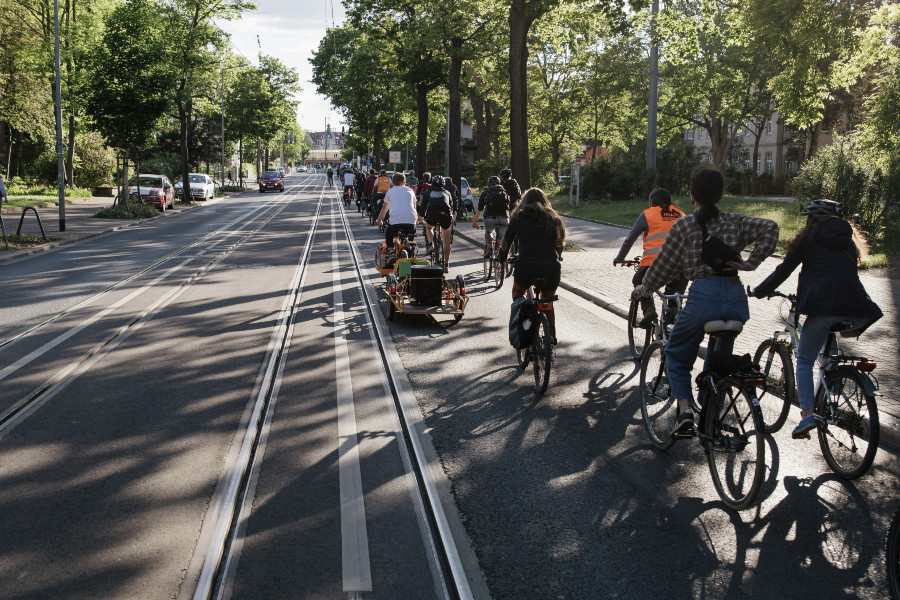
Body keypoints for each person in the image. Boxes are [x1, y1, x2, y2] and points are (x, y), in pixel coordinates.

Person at [632, 167, 779, 435]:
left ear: (692, 195)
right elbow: (770, 228)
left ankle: (685, 412)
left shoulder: (685, 226)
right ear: (720, 195)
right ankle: (712, 415)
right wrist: (751, 263)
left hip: (703, 298)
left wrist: (645, 288)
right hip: (735, 299)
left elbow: (663, 267)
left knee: (676, 354)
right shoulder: (735, 222)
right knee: (718, 362)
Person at [750, 199, 882, 438]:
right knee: (827, 343)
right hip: (858, 309)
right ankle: (833, 381)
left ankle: (807, 415)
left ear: (810, 220)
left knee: (804, 359)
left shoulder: (807, 241)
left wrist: (758, 291)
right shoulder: (848, 242)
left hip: (824, 308)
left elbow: (782, 271)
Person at [496, 188, 566, 340]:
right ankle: (551, 337)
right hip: (550, 267)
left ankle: (523, 324)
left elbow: (506, 242)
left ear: (524, 201)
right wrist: (558, 256)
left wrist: (501, 258)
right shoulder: (553, 218)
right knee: (547, 300)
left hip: (525, 267)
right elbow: (560, 243)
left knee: (518, 291)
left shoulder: (518, 217)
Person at [614, 188, 687, 327]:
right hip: (680, 265)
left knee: (638, 280)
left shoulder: (647, 214)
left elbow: (630, 239)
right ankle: (670, 327)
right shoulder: (681, 214)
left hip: (653, 264)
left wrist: (620, 258)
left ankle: (649, 310)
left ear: (652, 202)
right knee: (674, 297)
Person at [421, 175, 454, 272]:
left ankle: (430, 243)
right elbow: (451, 206)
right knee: (446, 240)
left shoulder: (428, 192)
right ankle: (446, 264)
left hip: (433, 215)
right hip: (446, 215)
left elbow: (423, 207)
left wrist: (421, 219)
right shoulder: (447, 192)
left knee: (428, 227)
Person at [377, 172, 418, 248]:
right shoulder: (410, 191)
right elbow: (414, 207)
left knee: (389, 234)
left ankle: (390, 249)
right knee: (410, 235)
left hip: (395, 221)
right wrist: (416, 220)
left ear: (393, 183)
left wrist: (379, 221)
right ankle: (410, 247)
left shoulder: (390, 191)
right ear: (404, 182)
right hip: (410, 220)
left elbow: (384, 208)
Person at [472, 176, 511, 256]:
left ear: (488, 184)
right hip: (504, 219)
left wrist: (474, 223)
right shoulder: (504, 192)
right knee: (501, 238)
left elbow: (479, 211)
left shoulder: (485, 193)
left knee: (488, 232)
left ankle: (489, 247)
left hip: (490, 219)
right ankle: (501, 251)